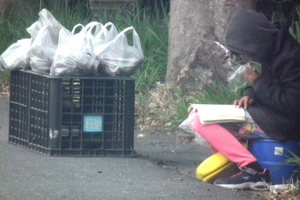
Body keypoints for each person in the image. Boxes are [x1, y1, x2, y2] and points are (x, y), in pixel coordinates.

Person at [189, 9, 300, 190]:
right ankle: (241, 165)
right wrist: (249, 94)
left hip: (287, 125)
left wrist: (258, 82)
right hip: (272, 116)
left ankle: (251, 169)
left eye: (247, 52)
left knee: (199, 120)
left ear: (254, 41)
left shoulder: (292, 59)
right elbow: (271, 87)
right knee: (196, 115)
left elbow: (291, 104)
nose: (248, 58)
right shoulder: (275, 49)